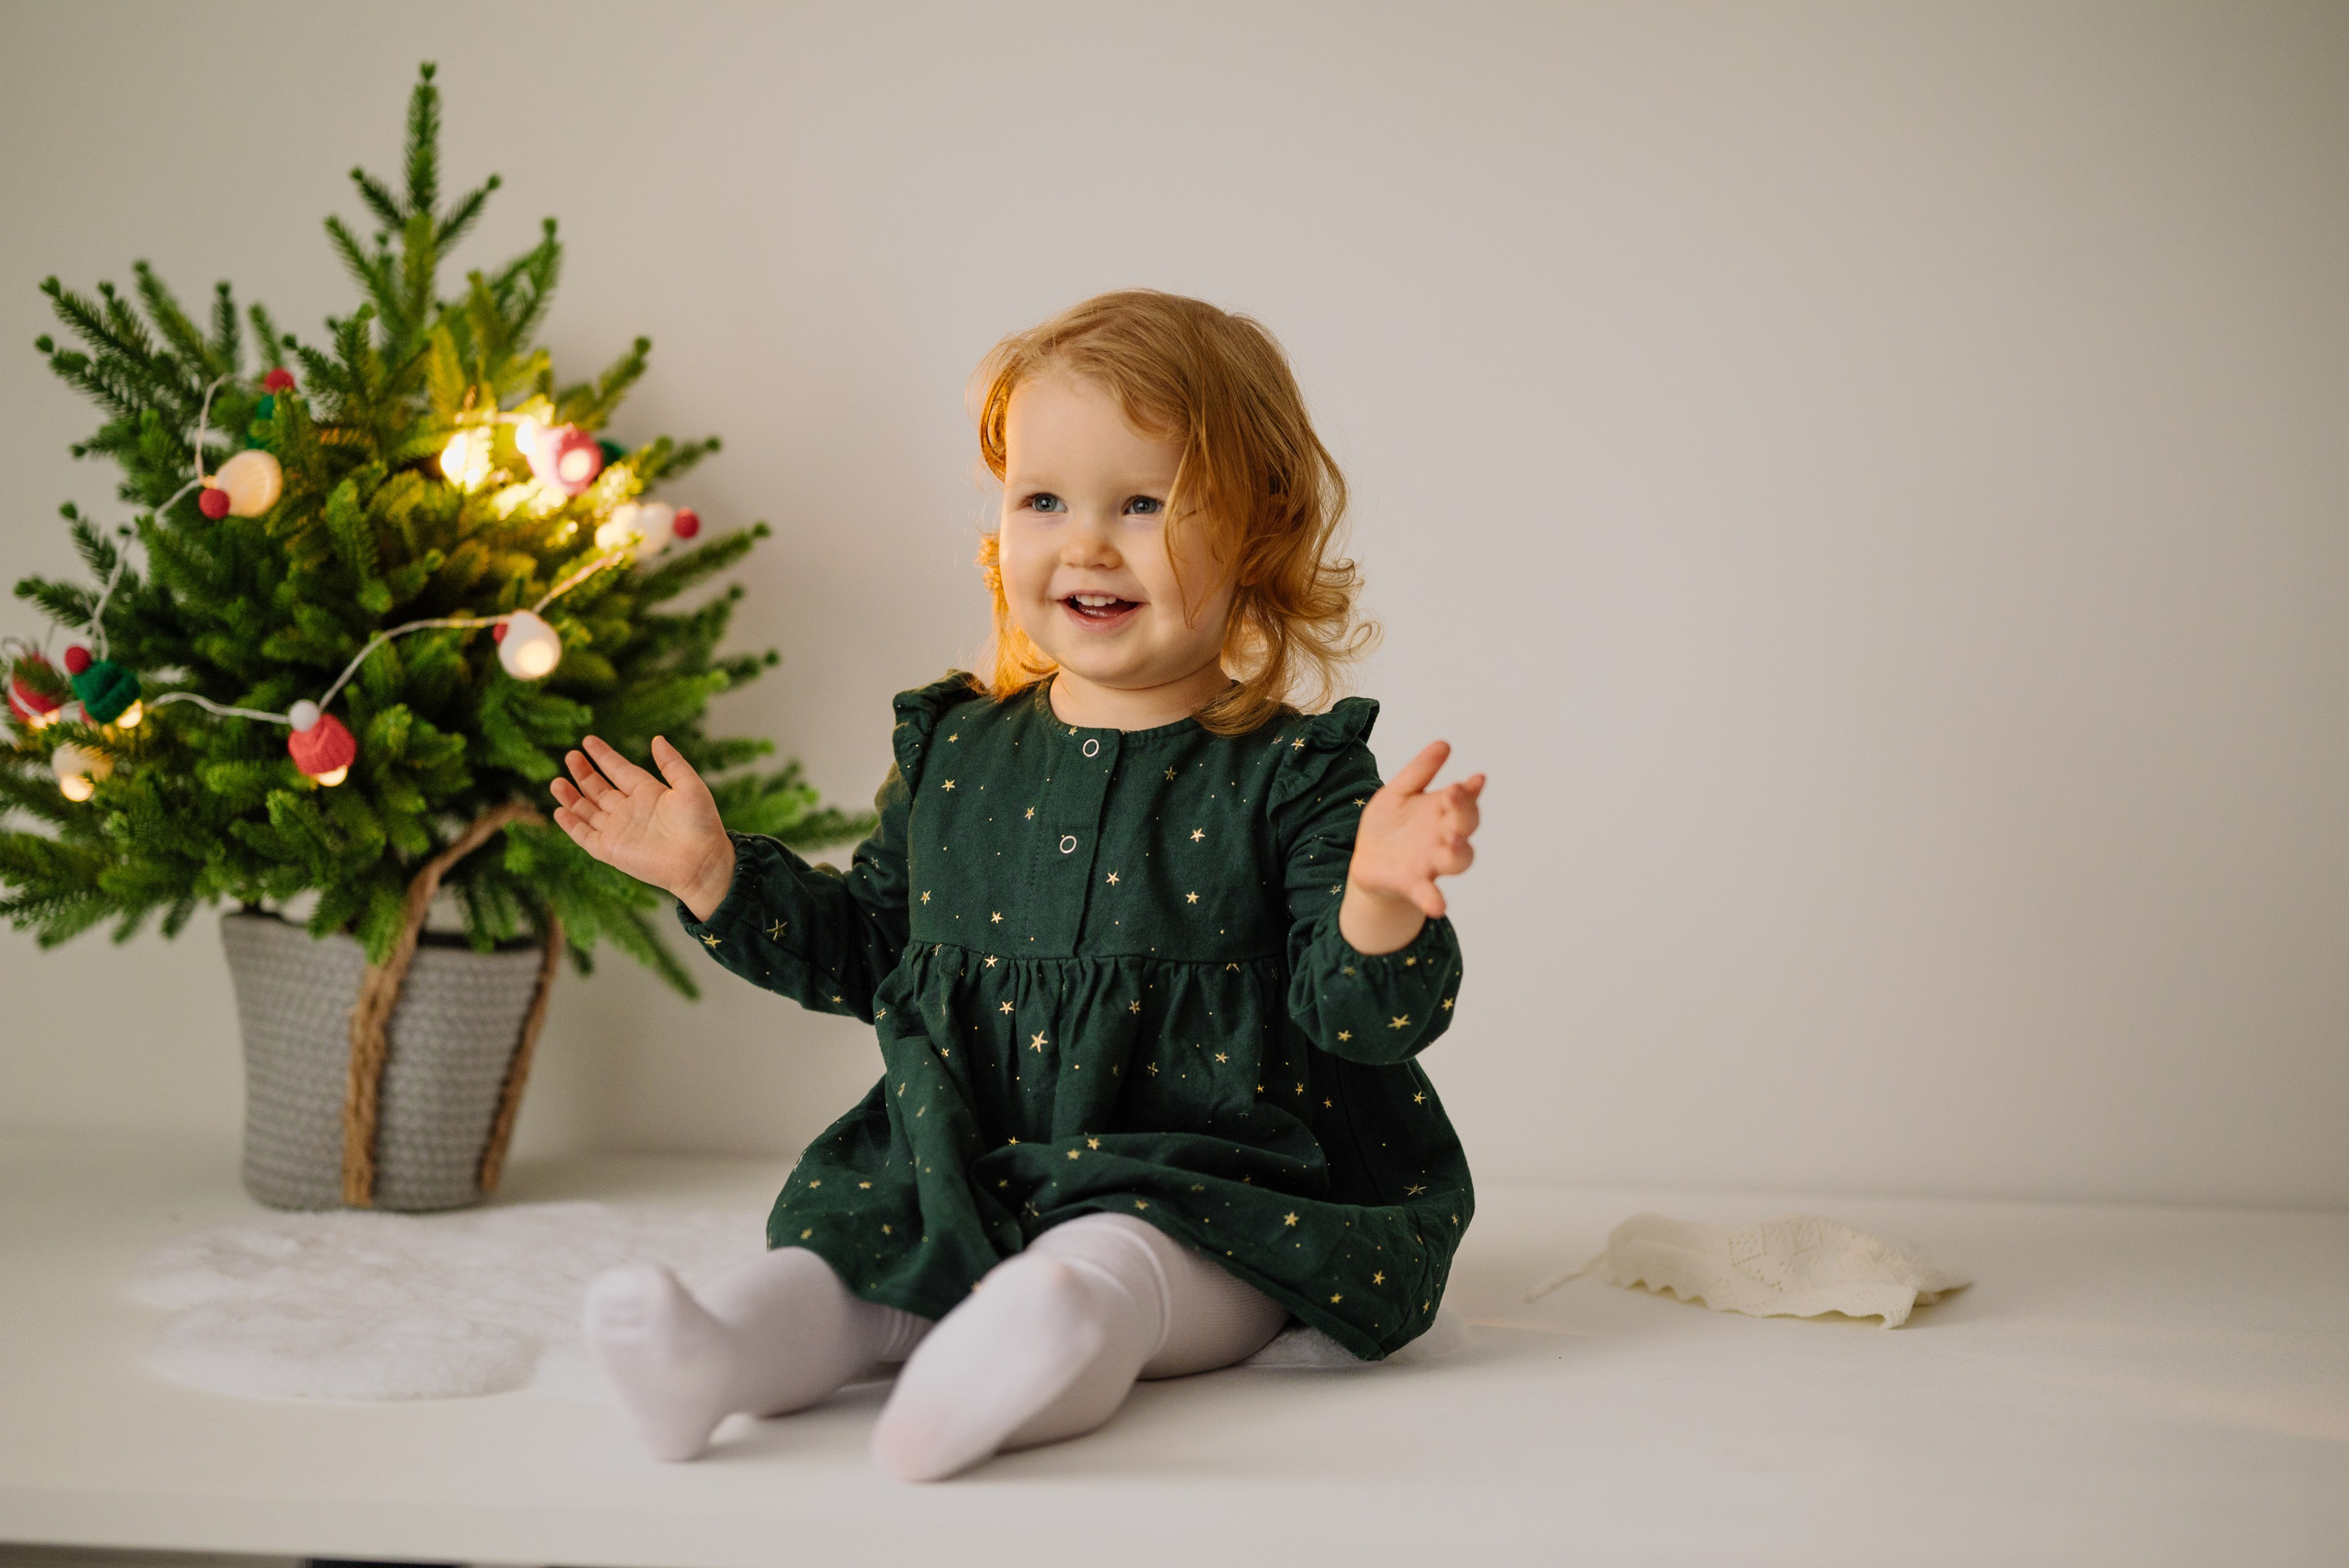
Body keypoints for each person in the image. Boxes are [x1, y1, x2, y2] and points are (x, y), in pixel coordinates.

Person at [550, 290, 1485, 1481]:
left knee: (1112, 1268)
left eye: (1142, 503)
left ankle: (1028, 1350)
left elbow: (1358, 1014)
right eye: (1044, 498)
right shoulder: (959, 753)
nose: (1086, 542)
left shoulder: (1294, 776)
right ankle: (720, 1351)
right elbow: (875, 951)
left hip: (1212, 1191)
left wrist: (1382, 897)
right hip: (963, 1167)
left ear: (1257, 530)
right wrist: (714, 874)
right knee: (845, 1256)